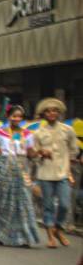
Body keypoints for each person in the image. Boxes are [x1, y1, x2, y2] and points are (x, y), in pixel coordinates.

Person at [0, 105, 39, 247]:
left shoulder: (27, 134)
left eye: (20, 117)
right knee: (5, 203)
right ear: (9, 117)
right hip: (5, 170)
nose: (17, 119)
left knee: (23, 203)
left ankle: (24, 237)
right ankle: (1, 234)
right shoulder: (0, 133)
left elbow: (30, 153)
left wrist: (41, 153)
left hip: (22, 171)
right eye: (14, 116)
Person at [32, 97, 77, 248]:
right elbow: (34, 156)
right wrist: (40, 154)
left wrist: (69, 169)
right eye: (48, 111)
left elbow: (73, 150)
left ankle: (58, 229)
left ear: (58, 113)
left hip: (63, 174)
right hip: (45, 174)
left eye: (54, 111)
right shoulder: (38, 133)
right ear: (44, 114)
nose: (51, 113)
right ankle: (51, 237)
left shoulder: (68, 130)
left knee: (64, 205)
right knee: (48, 206)